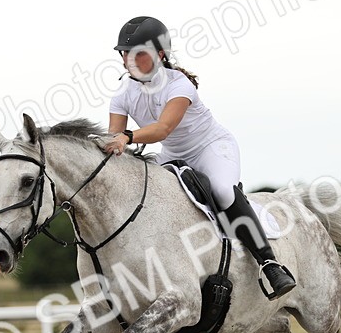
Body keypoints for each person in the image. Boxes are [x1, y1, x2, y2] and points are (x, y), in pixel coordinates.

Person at [103, 16, 296, 300]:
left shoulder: (179, 85)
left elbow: (162, 129)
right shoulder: (123, 92)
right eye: (124, 54)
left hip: (210, 148)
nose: (129, 61)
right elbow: (113, 139)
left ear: (159, 54)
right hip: (172, 154)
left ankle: (269, 263)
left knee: (220, 190)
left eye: (138, 54)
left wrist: (128, 138)